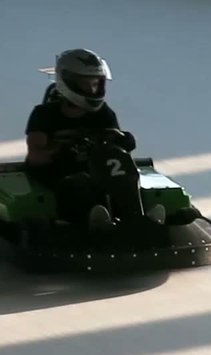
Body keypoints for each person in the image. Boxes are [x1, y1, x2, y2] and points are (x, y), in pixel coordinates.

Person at [24, 48, 164, 230]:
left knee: (126, 177)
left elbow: (116, 145)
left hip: (97, 169)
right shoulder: (44, 114)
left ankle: (138, 220)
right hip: (56, 172)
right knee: (79, 183)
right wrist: (62, 149)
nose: (92, 89)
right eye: (86, 84)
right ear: (68, 82)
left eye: (96, 84)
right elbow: (36, 155)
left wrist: (121, 140)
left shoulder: (104, 114)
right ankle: (93, 224)